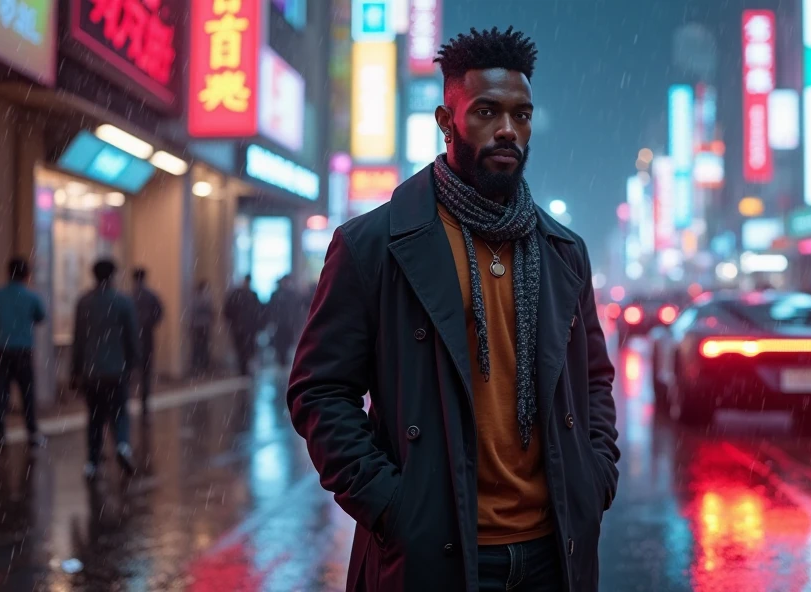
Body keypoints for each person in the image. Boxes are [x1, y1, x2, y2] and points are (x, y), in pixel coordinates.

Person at [287, 27, 619, 592]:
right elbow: (319, 390)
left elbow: (593, 381)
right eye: (487, 111)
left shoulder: (564, 252)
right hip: (434, 552)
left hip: (552, 550)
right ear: (446, 121)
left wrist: (595, 479)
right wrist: (393, 506)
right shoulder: (374, 245)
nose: (508, 130)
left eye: (522, 114)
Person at [71, 259, 139, 480]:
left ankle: (92, 462)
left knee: (94, 417)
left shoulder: (84, 302)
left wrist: (75, 371)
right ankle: (121, 445)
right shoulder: (123, 302)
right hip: (116, 369)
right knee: (119, 412)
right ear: (113, 276)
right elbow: (131, 337)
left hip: (92, 371)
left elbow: (78, 339)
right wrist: (134, 364)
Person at [0, 258, 47, 448]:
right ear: (27, 275)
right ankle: (32, 432)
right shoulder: (31, 297)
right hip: (23, 350)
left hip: (1, 349)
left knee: (2, 392)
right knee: (27, 392)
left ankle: (0, 433)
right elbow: (40, 316)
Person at [131, 268, 163, 414]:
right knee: (146, 370)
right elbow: (159, 312)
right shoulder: (151, 295)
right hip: (147, 336)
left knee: (130, 369)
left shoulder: (129, 296)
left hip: (132, 338)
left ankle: (128, 399)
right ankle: (144, 400)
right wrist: (149, 323)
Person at [223, 275, 262, 376]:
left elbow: (227, 311)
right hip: (246, 328)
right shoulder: (251, 295)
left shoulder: (238, 294)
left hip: (241, 328)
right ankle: (244, 368)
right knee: (245, 349)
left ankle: (243, 368)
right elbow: (258, 312)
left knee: (242, 349)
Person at [267, 276, 306, 367]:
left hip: (287, 323)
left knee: (286, 342)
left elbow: (296, 309)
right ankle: (281, 358)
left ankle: (282, 358)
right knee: (281, 342)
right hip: (282, 323)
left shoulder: (290, 294)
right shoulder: (280, 294)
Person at [189, 281, 215, 376]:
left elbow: (192, 312)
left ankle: (199, 366)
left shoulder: (195, 298)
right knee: (202, 346)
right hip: (203, 325)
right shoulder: (206, 298)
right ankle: (202, 365)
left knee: (198, 346)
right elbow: (211, 311)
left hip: (198, 325)